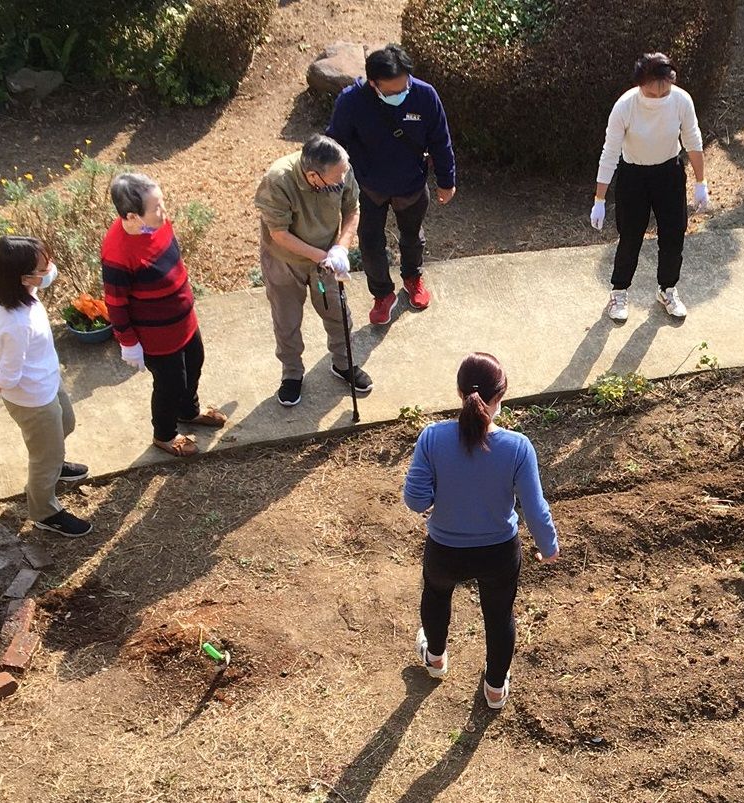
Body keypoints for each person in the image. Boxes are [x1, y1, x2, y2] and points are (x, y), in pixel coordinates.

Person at [403, 353, 560, 710]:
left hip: (444, 549)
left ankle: (435, 659)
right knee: (499, 614)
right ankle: (495, 689)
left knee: (436, 595)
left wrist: (434, 500)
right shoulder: (518, 447)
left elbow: (415, 499)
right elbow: (534, 508)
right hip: (499, 553)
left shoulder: (432, 438)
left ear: (460, 393)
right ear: (500, 397)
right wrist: (548, 546)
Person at [325, 44, 457, 323]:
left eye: (405, 86)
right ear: (374, 84)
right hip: (368, 187)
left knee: (413, 236)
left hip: (411, 185)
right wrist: (334, 184)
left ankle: (412, 277)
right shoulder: (351, 101)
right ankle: (382, 294)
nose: (401, 93)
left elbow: (440, 141)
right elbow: (335, 143)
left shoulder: (425, 95)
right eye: (392, 91)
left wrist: (447, 181)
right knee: (370, 243)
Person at [102, 172, 227, 457]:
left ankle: (188, 411)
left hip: (183, 319)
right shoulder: (118, 253)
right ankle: (165, 433)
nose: (164, 211)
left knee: (194, 362)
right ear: (132, 217)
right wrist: (128, 342)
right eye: (156, 207)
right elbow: (116, 303)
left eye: (162, 203)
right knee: (170, 384)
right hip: (157, 335)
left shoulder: (157, 223)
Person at [0, 235, 94, 537]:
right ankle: (45, 511)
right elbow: (10, 377)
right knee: (44, 457)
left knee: (66, 423)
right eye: (43, 269)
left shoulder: (10, 291)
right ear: (23, 277)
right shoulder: (16, 323)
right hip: (32, 399)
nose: (50, 271)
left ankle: (55, 462)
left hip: (46, 381)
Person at [592, 52, 711, 322]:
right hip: (634, 176)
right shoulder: (625, 106)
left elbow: (693, 141)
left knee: (673, 234)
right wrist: (599, 199)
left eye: (664, 92)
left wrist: (700, 181)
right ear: (640, 84)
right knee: (630, 236)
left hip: (668, 173)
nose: (658, 97)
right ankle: (619, 291)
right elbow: (609, 153)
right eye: (651, 93)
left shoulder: (681, 100)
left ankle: (667, 289)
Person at [254, 134, 368, 407]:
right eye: (337, 178)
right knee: (287, 321)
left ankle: (343, 363)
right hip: (284, 261)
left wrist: (341, 249)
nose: (343, 179)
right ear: (313, 176)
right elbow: (279, 234)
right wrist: (322, 256)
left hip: (326, 257)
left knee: (338, 313)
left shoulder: (341, 168)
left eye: (344, 173)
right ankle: (292, 373)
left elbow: (353, 209)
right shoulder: (278, 180)